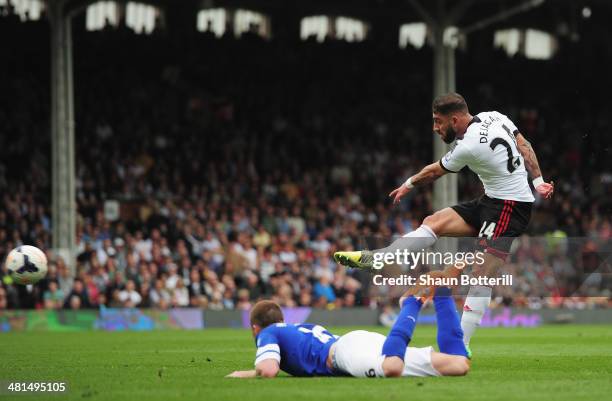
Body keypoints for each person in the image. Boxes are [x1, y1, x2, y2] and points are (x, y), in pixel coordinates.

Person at [333, 93, 554, 354]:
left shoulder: (468, 146)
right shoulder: (495, 116)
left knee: (482, 274)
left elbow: (434, 172)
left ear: (455, 119)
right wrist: (538, 180)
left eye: (438, 122)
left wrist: (407, 184)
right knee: (434, 221)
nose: (435, 128)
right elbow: (525, 145)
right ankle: (380, 258)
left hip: (510, 206)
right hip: (491, 200)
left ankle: (462, 345)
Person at [226, 283, 470, 378]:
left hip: (344, 353)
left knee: (392, 368)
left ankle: (411, 303)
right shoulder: (299, 328)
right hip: (360, 341)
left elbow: (268, 370)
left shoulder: (268, 333)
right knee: (458, 365)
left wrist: (241, 374)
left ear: (255, 328)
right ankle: (443, 294)